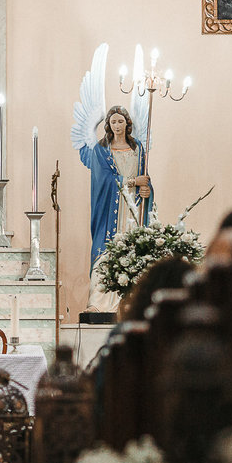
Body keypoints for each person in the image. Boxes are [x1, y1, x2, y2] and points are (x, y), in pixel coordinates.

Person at [77, 105, 152, 311]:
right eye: (113, 122)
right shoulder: (101, 149)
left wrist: (146, 189)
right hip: (111, 210)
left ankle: (131, 303)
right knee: (107, 254)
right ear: (108, 125)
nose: (117, 125)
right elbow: (103, 180)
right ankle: (99, 303)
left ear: (127, 123)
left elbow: (144, 178)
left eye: (120, 121)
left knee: (133, 251)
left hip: (133, 210)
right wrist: (132, 181)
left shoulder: (138, 148)